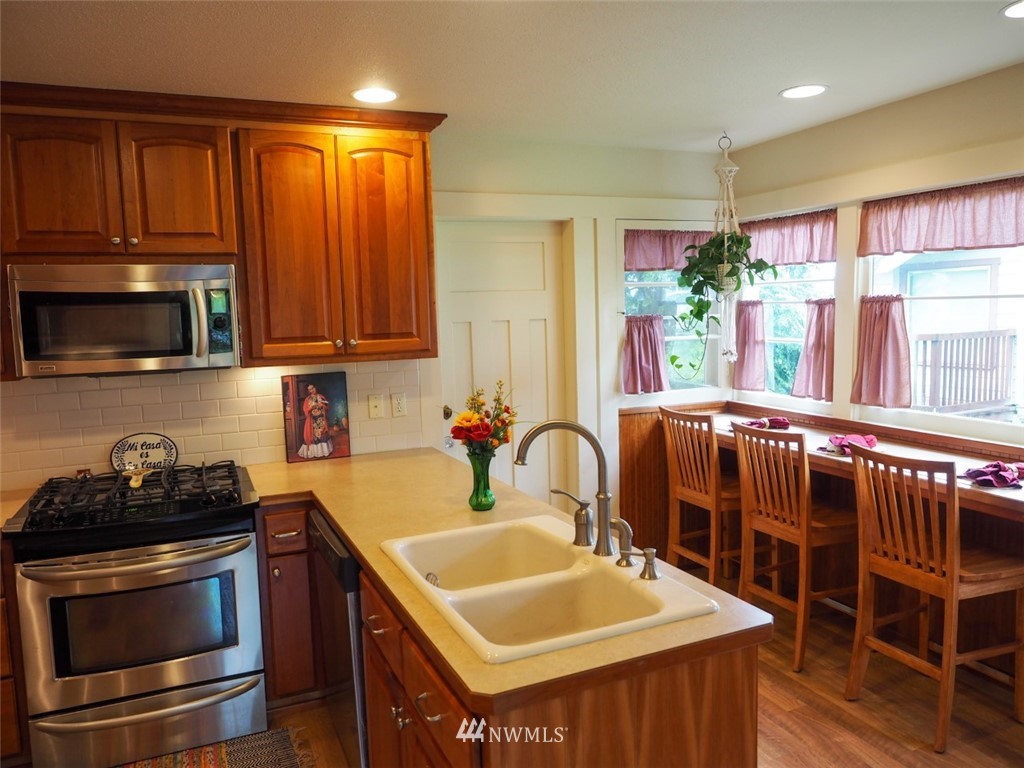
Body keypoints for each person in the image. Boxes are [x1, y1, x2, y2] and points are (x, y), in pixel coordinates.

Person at [298, 384, 334, 459]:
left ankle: (323, 452)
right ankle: (314, 452)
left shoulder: (321, 397)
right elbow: (305, 410)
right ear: (308, 391)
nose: (312, 390)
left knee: (322, 434)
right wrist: (311, 407)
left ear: (315, 387)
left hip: (321, 419)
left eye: (313, 388)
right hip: (312, 420)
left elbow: (327, 407)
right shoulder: (307, 399)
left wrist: (322, 405)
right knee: (313, 436)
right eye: (310, 389)